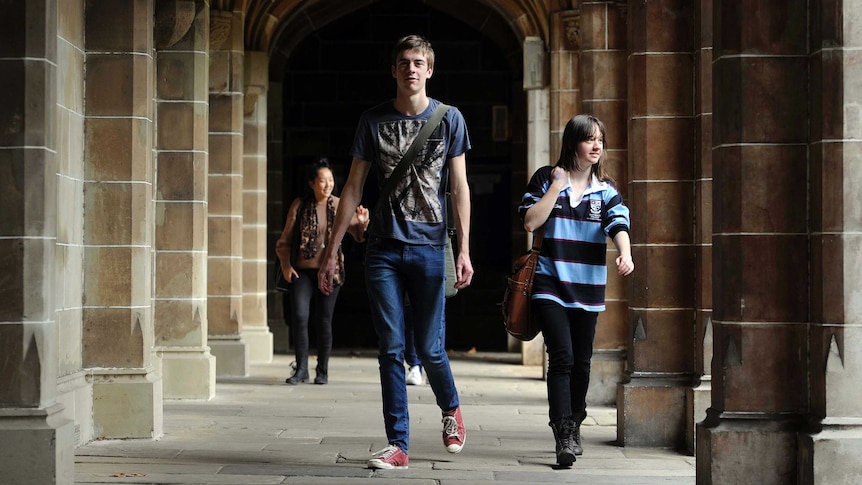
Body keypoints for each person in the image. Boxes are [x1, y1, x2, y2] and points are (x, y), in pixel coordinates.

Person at [318, 34, 474, 470]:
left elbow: (460, 188)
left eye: (418, 61)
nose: (410, 68)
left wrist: (464, 249)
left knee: (429, 348)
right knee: (390, 348)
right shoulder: (372, 121)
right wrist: (333, 250)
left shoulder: (449, 119)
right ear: (394, 70)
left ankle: (451, 408)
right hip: (383, 250)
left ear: (429, 70)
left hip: (429, 247)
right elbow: (352, 188)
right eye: (403, 61)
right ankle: (398, 444)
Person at [519, 114, 634, 467]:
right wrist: (556, 186)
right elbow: (529, 221)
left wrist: (626, 253)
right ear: (573, 144)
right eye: (589, 139)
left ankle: (576, 420)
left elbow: (619, 223)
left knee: (582, 363)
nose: (597, 145)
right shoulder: (545, 178)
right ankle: (564, 431)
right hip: (550, 284)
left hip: (587, 288)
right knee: (563, 357)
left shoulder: (607, 190)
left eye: (601, 139)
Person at [275, 158, 369, 385]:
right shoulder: (299, 205)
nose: (328, 184)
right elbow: (285, 240)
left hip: (330, 273)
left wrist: (363, 224)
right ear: (311, 183)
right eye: (322, 180)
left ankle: (323, 371)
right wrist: (286, 266)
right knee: (299, 317)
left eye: (330, 180)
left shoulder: (339, 204)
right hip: (302, 273)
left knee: (324, 320)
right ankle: (302, 370)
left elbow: (357, 234)